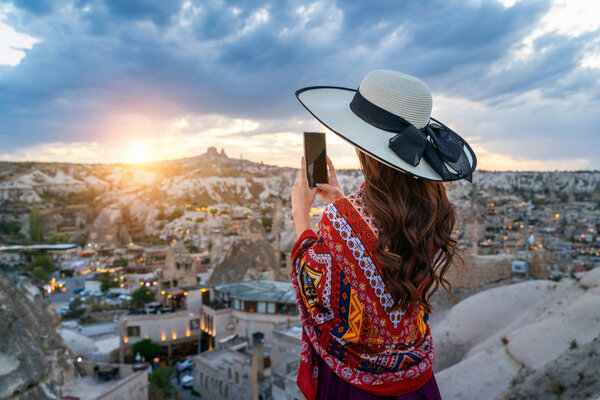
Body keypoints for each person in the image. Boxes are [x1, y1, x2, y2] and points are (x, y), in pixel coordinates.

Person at [290, 70, 477, 400]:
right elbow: (380, 253)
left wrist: (301, 217)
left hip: (358, 386)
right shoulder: (436, 211)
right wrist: (339, 200)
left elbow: (315, 293)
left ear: (364, 148)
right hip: (418, 381)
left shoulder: (341, 222)